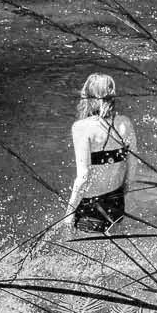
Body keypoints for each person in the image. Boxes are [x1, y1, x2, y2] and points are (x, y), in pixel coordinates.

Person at [66, 72, 137, 235]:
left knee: (84, 254)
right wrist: (125, 189)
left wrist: (69, 214)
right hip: (116, 199)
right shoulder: (125, 123)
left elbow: (83, 176)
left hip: (91, 204)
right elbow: (132, 166)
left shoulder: (81, 127)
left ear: (87, 97)